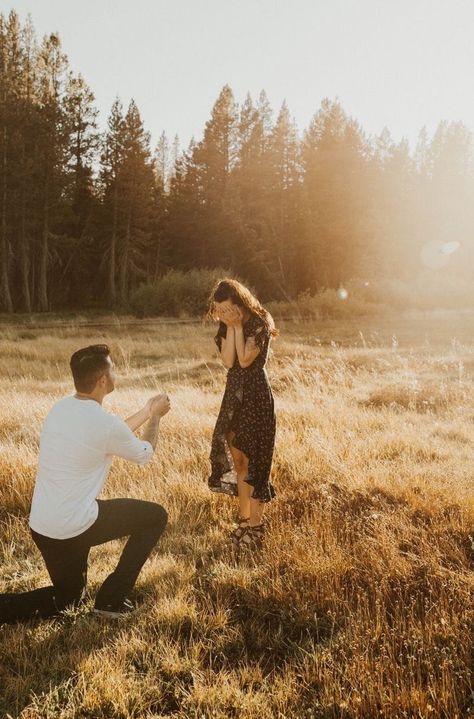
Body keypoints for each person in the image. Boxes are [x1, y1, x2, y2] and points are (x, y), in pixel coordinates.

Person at [0, 344, 170, 623]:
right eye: (112, 368)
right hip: (74, 526)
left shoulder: (61, 408)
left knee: (67, 599)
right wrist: (154, 418)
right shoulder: (104, 424)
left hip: (43, 527)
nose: (115, 372)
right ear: (103, 380)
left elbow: (110, 435)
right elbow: (144, 454)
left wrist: (145, 409)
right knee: (155, 517)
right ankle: (111, 601)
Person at [207, 279, 278, 549]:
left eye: (225, 309)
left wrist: (236, 327)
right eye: (218, 310)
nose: (221, 314)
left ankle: (257, 527)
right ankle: (244, 520)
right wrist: (230, 326)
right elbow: (228, 361)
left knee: (255, 461)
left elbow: (246, 360)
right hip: (233, 395)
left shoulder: (260, 320)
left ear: (239, 303)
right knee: (238, 462)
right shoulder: (227, 323)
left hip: (256, 395)